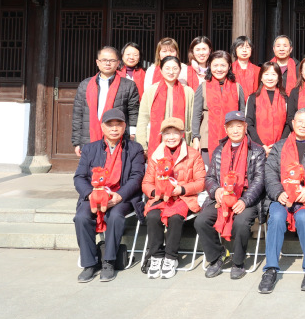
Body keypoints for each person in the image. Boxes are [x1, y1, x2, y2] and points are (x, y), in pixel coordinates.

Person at [259, 108, 305, 293]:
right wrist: (278, 193)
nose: (303, 125)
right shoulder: (279, 146)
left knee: (304, 218)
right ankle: (270, 269)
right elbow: (270, 173)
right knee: (276, 217)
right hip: (282, 197)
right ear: (293, 123)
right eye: (300, 121)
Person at [74, 109, 145, 283]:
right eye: (110, 125)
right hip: (94, 196)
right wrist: (90, 194)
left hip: (121, 196)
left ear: (124, 126)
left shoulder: (134, 149)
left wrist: (119, 195)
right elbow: (79, 177)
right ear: (102, 127)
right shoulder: (90, 149)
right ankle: (89, 264)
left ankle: (109, 262)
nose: (114, 129)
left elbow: (137, 177)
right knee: (82, 217)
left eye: (118, 124)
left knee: (115, 216)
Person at [195, 111, 266, 280]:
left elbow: (260, 180)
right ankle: (218, 255)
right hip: (223, 198)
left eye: (239, 126)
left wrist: (244, 200)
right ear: (225, 129)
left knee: (241, 223)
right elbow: (210, 177)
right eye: (231, 127)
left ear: (245, 127)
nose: (235, 130)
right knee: (201, 221)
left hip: (247, 198)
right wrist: (216, 190)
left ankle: (238, 262)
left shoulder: (257, 150)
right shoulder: (219, 150)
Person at [140, 118, 205, 279]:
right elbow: (146, 183)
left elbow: (201, 182)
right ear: (162, 135)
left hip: (183, 197)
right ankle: (156, 256)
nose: (171, 137)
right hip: (160, 197)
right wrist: (156, 192)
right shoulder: (156, 155)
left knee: (175, 217)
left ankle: (171, 257)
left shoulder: (193, 154)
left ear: (182, 134)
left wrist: (181, 189)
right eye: (167, 134)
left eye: (175, 133)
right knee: (152, 216)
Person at [72, 46, 140, 156]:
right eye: (104, 60)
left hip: (118, 137)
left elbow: (133, 112)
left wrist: (132, 135)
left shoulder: (128, 85)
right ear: (97, 62)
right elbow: (78, 115)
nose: (108, 63)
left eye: (112, 60)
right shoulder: (85, 85)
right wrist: (77, 142)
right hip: (89, 137)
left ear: (118, 63)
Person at [191, 50, 246, 167]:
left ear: (229, 66)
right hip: (207, 138)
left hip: (233, 137)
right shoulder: (203, 87)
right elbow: (196, 114)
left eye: (223, 65)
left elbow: (242, 114)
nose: (219, 69)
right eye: (215, 65)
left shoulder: (237, 87)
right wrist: (195, 137)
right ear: (210, 66)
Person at [136, 56, 195, 155]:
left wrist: (192, 142)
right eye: (167, 68)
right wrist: (142, 145)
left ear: (180, 70)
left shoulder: (188, 92)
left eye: (175, 68)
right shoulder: (151, 91)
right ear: (161, 70)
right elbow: (143, 119)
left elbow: (192, 120)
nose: (171, 72)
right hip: (156, 141)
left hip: (182, 141)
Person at [245, 61, 289, 157]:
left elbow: (288, 123)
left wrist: (278, 145)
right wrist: (262, 145)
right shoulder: (253, 98)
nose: (270, 78)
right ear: (261, 77)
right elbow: (248, 123)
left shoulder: (285, 98)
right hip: (257, 148)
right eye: (266, 74)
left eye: (273, 74)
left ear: (279, 77)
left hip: (280, 148)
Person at [231, 35, 260, 101]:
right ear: (235, 50)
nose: (244, 50)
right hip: (234, 103)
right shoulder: (229, 69)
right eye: (241, 47)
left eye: (247, 47)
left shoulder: (258, 70)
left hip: (253, 103)